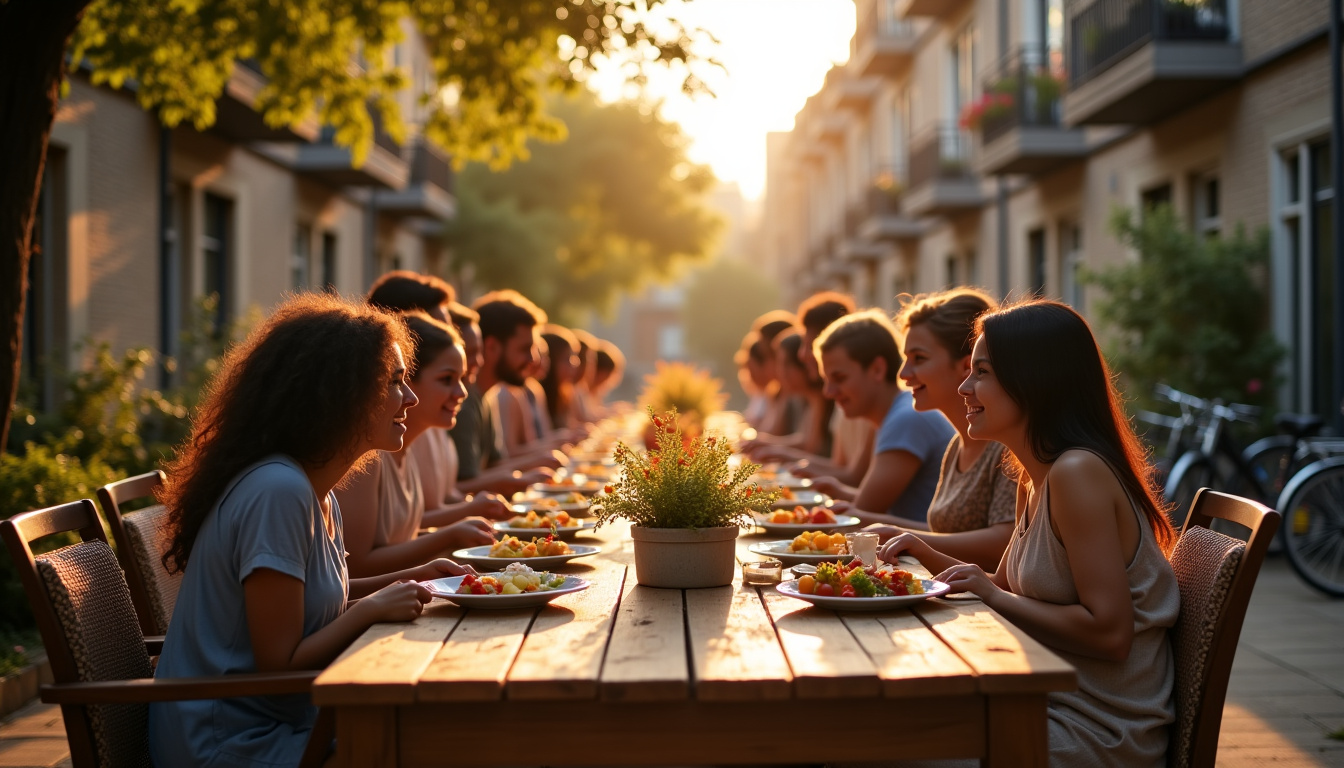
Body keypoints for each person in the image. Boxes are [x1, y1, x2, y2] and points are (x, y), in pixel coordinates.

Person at [150, 293, 473, 767]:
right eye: (394, 381)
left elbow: (315, 602)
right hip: (227, 743)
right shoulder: (278, 493)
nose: (410, 398)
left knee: (443, 730)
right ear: (339, 394)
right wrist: (372, 609)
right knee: (435, 744)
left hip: (285, 722)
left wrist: (417, 579)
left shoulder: (314, 489)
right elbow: (279, 662)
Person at [879, 299, 1179, 767]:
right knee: (879, 723)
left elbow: (1110, 633)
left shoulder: (1077, 474)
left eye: (981, 372)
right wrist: (921, 550)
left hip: (1096, 730)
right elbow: (1000, 587)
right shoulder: (1034, 477)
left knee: (880, 747)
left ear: (1035, 381)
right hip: (1042, 701)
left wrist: (991, 594)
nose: (964, 386)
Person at [338, 312, 505, 578]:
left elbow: (405, 538)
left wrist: (461, 530)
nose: (462, 392)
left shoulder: (408, 445)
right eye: (447, 379)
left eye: (462, 379)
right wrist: (450, 534)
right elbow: (355, 567)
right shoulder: (367, 457)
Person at [861, 289, 1014, 570]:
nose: (903, 374)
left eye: (919, 358)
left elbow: (1005, 543)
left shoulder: (1005, 446)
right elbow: (947, 535)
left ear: (966, 365)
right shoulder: (956, 445)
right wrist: (891, 530)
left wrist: (907, 537)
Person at [810, 310, 955, 524]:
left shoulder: (906, 418)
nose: (828, 392)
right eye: (826, 380)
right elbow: (866, 504)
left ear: (877, 369)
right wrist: (838, 491)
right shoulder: (890, 415)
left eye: (839, 378)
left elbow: (861, 514)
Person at [755, 292, 875, 487]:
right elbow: (840, 467)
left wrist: (785, 456)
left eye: (809, 344)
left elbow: (854, 478)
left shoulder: (857, 401)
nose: (802, 355)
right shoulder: (832, 399)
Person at [452, 290, 562, 495]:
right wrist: (523, 473)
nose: (533, 359)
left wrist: (539, 462)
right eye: (525, 349)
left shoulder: (488, 395)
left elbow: (495, 465)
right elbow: (462, 486)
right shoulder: (462, 403)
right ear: (492, 347)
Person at [590, 340, 625, 413]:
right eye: (606, 376)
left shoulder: (596, 392)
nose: (605, 382)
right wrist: (611, 411)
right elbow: (589, 415)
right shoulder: (580, 393)